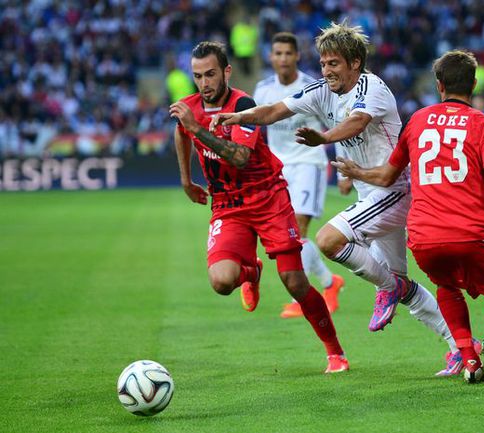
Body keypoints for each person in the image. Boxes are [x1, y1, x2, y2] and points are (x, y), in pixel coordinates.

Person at [212, 22, 467, 377]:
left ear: (355, 63)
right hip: (371, 191)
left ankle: (388, 287)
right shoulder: (321, 91)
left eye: (333, 63)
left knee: (328, 239)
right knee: (403, 285)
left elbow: (357, 122)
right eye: (323, 63)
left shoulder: (372, 87)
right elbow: (273, 111)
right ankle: (460, 348)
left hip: (394, 189)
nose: (326, 70)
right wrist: (237, 116)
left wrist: (324, 138)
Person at [332, 50, 484, 387]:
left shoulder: (417, 121)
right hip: (471, 232)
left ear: (439, 85)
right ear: (473, 84)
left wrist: (356, 171)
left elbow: (387, 176)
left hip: (424, 237)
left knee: (447, 287)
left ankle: (469, 360)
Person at [169, 41, 348, 374]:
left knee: (295, 282)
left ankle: (335, 352)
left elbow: (240, 157)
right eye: (198, 76)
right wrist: (185, 180)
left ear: (226, 72)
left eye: (210, 74)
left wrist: (196, 128)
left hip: (268, 198)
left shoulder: (243, 104)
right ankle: (251, 271)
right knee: (222, 281)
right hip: (227, 204)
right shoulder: (189, 108)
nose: (204, 83)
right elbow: (181, 133)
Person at [253, 32, 344, 319]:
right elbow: (254, 131)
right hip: (278, 170)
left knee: (298, 231)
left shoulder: (312, 88)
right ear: (271, 57)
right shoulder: (263, 90)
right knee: (288, 237)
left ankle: (301, 298)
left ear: (297, 56)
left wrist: (343, 168)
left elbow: (336, 124)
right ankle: (329, 283)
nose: (283, 58)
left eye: (288, 53)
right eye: (278, 53)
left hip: (308, 164)